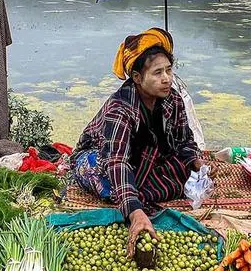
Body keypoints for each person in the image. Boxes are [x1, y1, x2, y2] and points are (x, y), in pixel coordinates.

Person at [71, 27, 204, 257]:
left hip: (140, 158)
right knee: (115, 184)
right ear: (137, 78)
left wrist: (195, 161)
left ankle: (135, 193)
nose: (166, 79)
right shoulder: (120, 108)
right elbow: (118, 161)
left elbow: (185, 139)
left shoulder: (172, 99)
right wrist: (135, 212)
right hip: (102, 157)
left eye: (169, 70)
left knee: (181, 166)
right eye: (157, 73)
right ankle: (133, 200)